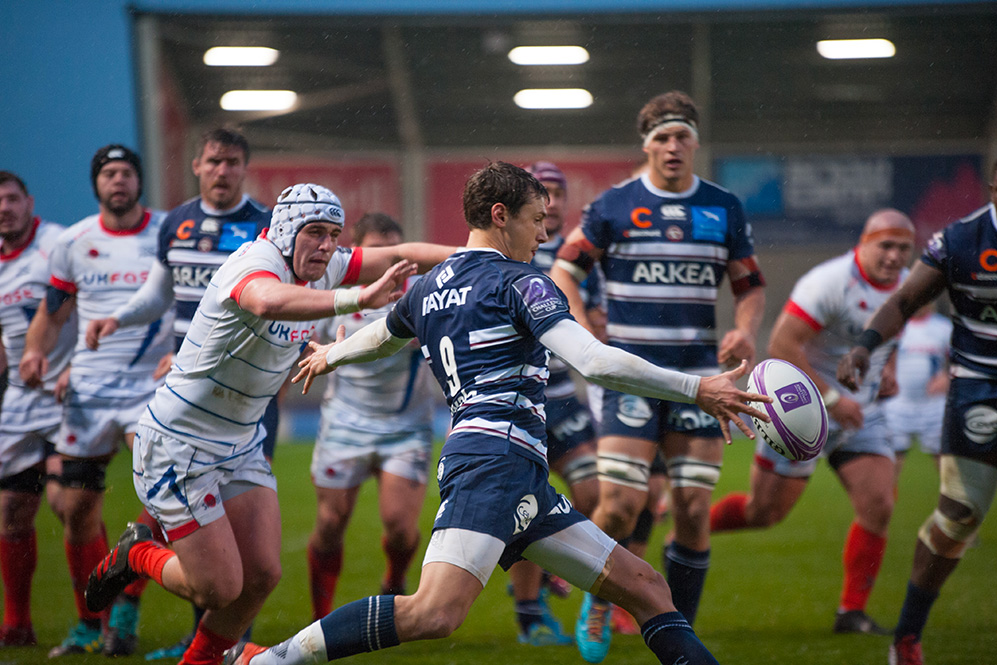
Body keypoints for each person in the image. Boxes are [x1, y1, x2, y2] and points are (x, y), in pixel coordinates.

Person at [223, 161, 771, 665]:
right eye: (537, 220)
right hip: (494, 463)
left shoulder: (429, 286)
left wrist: (332, 354)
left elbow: (382, 337)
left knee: (647, 588)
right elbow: (594, 361)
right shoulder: (520, 282)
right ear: (500, 215)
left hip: (512, 468)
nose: (544, 234)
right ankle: (269, 661)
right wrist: (697, 388)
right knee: (432, 613)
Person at [84, 183, 455, 665]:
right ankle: (137, 552)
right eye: (315, 232)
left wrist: (481, 258)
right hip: (180, 443)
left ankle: (200, 661)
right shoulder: (254, 262)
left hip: (240, 442)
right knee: (217, 588)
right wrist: (357, 297)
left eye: (334, 235)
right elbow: (266, 302)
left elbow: (403, 254)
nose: (326, 246)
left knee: (262, 576)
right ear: (285, 230)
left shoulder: (325, 265)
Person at [549, 90, 766, 661]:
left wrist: (745, 329)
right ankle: (599, 600)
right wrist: (582, 331)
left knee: (692, 510)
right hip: (630, 379)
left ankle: (679, 634)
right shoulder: (613, 205)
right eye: (662, 138)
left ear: (695, 143)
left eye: (682, 137)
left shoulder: (723, 207)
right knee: (620, 506)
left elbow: (749, 286)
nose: (673, 146)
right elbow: (565, 270)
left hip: (703, 382)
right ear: (646, 146)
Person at [85, 127, 274, 658]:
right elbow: (159, 294)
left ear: (244, 168)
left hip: (245, 400)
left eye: (232, 162)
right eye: (214, 161)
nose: (222, 171)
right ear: (197, 166)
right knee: (206, 529)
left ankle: (207, 638)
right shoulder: (177, 223)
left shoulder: (266, 227)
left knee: (250, 550)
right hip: (188, 396)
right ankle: (207, 639)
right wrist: (118, 318)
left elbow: (273, 306)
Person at [710, 208, 916, 636]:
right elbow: (782, 343)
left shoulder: (908, 285)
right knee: (764, 513)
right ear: (864, 242)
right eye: (886, 245)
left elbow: (888, 335)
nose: (895, 256)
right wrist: (833, 399)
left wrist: (888, 370)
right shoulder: (830, 282)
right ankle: (691, 529)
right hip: (801, 411)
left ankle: (851, 612)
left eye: (904, 248)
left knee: (879, 503)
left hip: (862, 413)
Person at [837, 158, 997, 665]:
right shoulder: (961, 240)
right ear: (994, 187)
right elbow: (905, 300)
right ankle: (907, 636)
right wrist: (865, 346)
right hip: (980, 388)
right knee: (960, 514)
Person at [19, 145, 174, 657]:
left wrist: (179, 347)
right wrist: (36, 352)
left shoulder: (168, 232)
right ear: (96, 184)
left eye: (127, 172)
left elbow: (192, 299)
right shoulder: (74, 241)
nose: (118, 181)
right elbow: (53, 312)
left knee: (165, 498)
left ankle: (127, 602)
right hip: (89, 390)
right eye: (109, 173)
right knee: (76, 508)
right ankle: (91, 622)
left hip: (151, 389)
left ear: (139, 181)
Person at [306, 212, 436, 621]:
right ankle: (320, 617)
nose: (387, 261)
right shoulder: (334, 293)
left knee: (400, 527)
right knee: (330, 524)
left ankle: (394, 581)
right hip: (344, 422)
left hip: (405, 427)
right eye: (377, 251)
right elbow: (304, 342)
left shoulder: (421, 295)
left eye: (394, 251)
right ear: (358, 253)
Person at [505, 161, 601, 647]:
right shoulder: (506, 255)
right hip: (518, 402)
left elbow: (595, 320)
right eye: (544, 194)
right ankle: (530, 613)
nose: (554, 203)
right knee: (524, 507)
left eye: (559, 193)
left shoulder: (580, 257)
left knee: (593, 491)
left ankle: (547, 568)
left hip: (563, 398)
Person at [0, 171, 76, 646]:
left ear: (29, 202)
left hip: (69, 393)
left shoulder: (57, 245)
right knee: (11, 510)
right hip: (21, 399)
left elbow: (91, 301)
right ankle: (18, 624)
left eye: (11, 199)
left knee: (67, 503)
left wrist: (82, 365)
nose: (4, 208)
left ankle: (96, 620)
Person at [883, 301, 952, 474]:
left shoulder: (944, 327)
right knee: (891, 460)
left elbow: (959, 359)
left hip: (933, 403)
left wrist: (947, 377)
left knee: (944, 459)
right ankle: (889, 493)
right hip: (898, 401)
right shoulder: (895, 326)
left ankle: (948, 493)